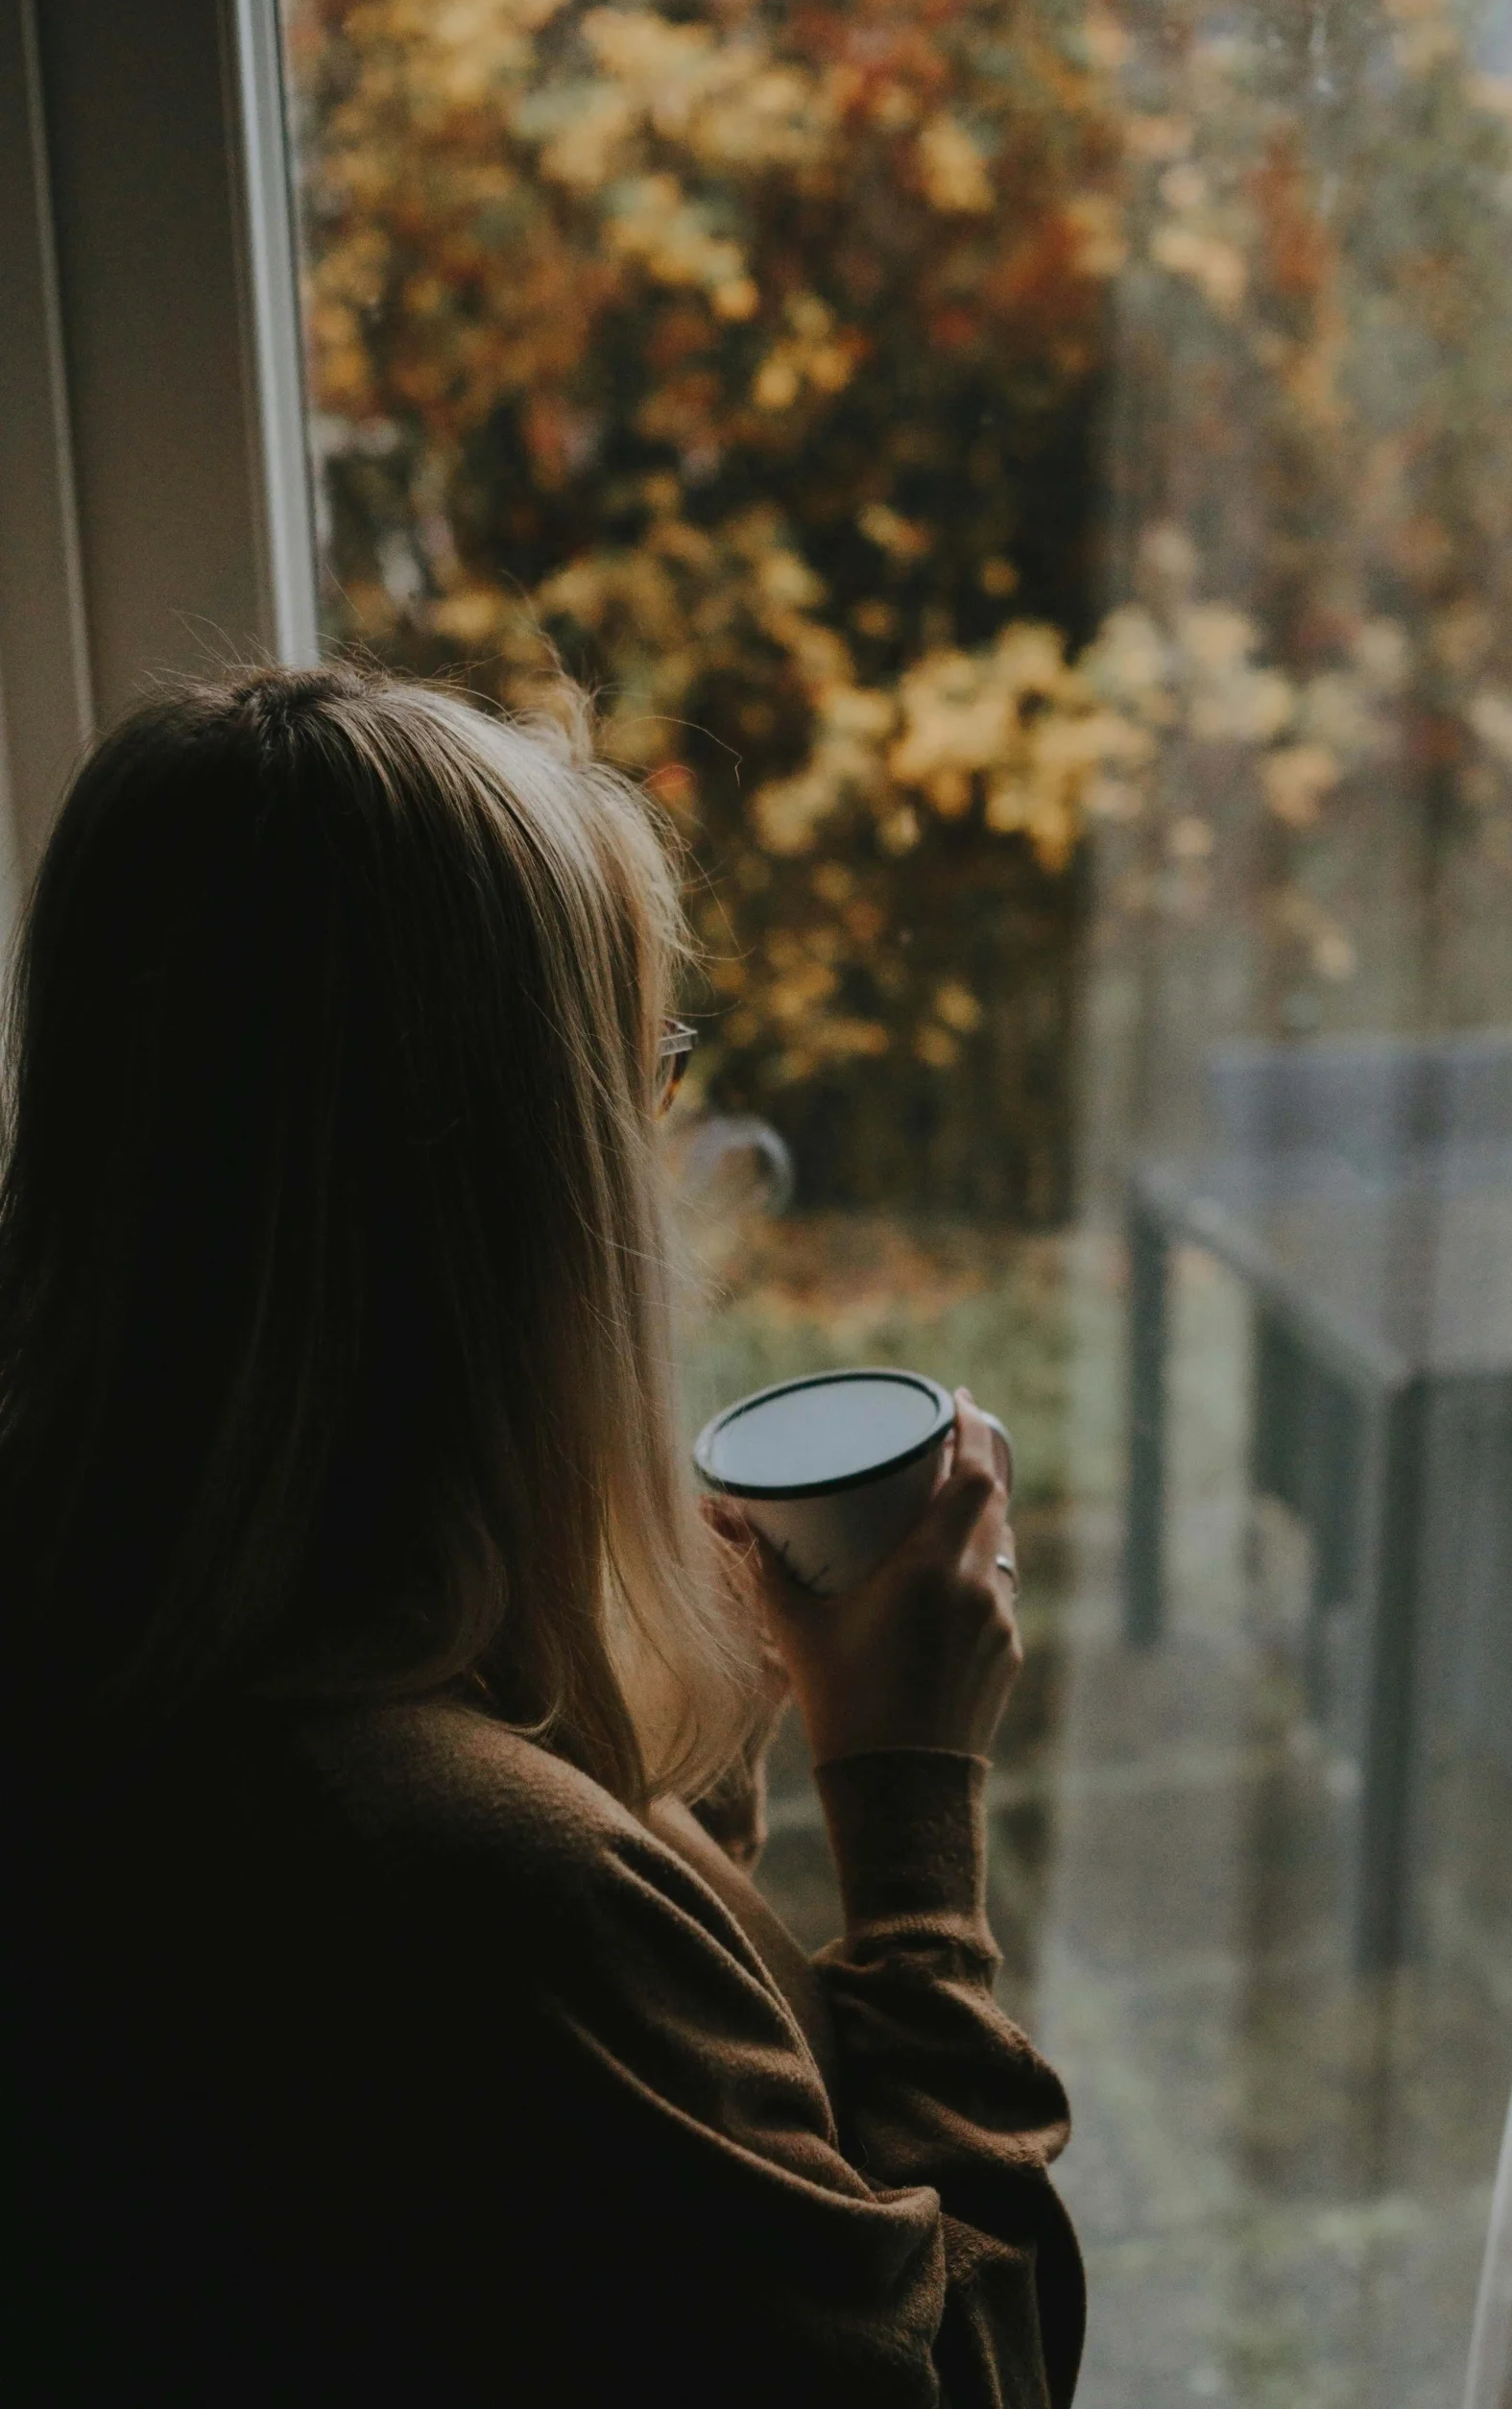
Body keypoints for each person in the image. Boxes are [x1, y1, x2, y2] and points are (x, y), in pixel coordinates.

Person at [4, 666, 1083, 2405]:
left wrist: (639, 1700)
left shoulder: (118, 1655)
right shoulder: (495, 1896)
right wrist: (906, 1818)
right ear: (515, 1195)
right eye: (639, 1082)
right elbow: (972, 2372)